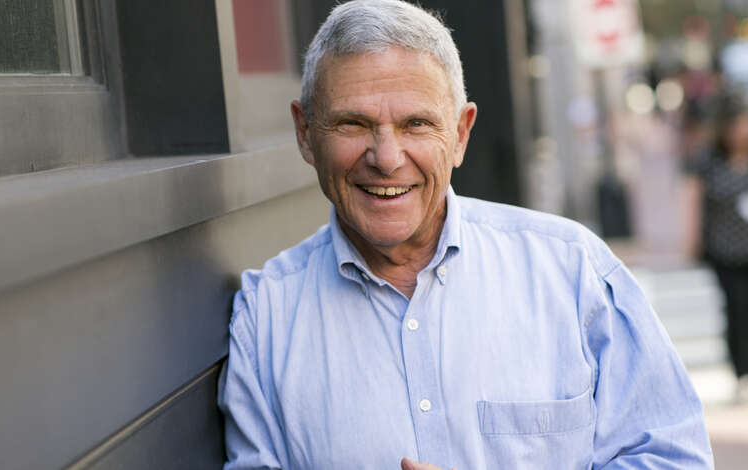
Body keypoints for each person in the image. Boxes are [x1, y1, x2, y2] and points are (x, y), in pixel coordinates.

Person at [218, 1, 713, 468]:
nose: (386, 158)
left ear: (460, 134)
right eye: (353, 123)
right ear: (306, 134)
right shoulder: (266, 318)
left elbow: (674, 457)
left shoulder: (572, 271)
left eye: (416, 124)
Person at [684, 96, 748, 403]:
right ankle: (742, 372)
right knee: (737, 308)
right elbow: (694, 199)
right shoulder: (708, 160)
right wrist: (692, 240)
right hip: (725, 250)